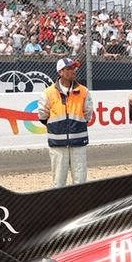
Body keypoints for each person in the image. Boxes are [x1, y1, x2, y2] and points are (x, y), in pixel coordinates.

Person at [37, 58, 92, 187]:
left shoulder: (84, 91)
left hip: (78, 142)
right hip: (58, 143)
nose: (74, 71)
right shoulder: (49, 93)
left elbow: (88, 114)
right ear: (60, 72)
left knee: (80, 180)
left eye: (74, 68)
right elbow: (42, 114)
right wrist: (58, 128)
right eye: (69, 68)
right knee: (59, 182)